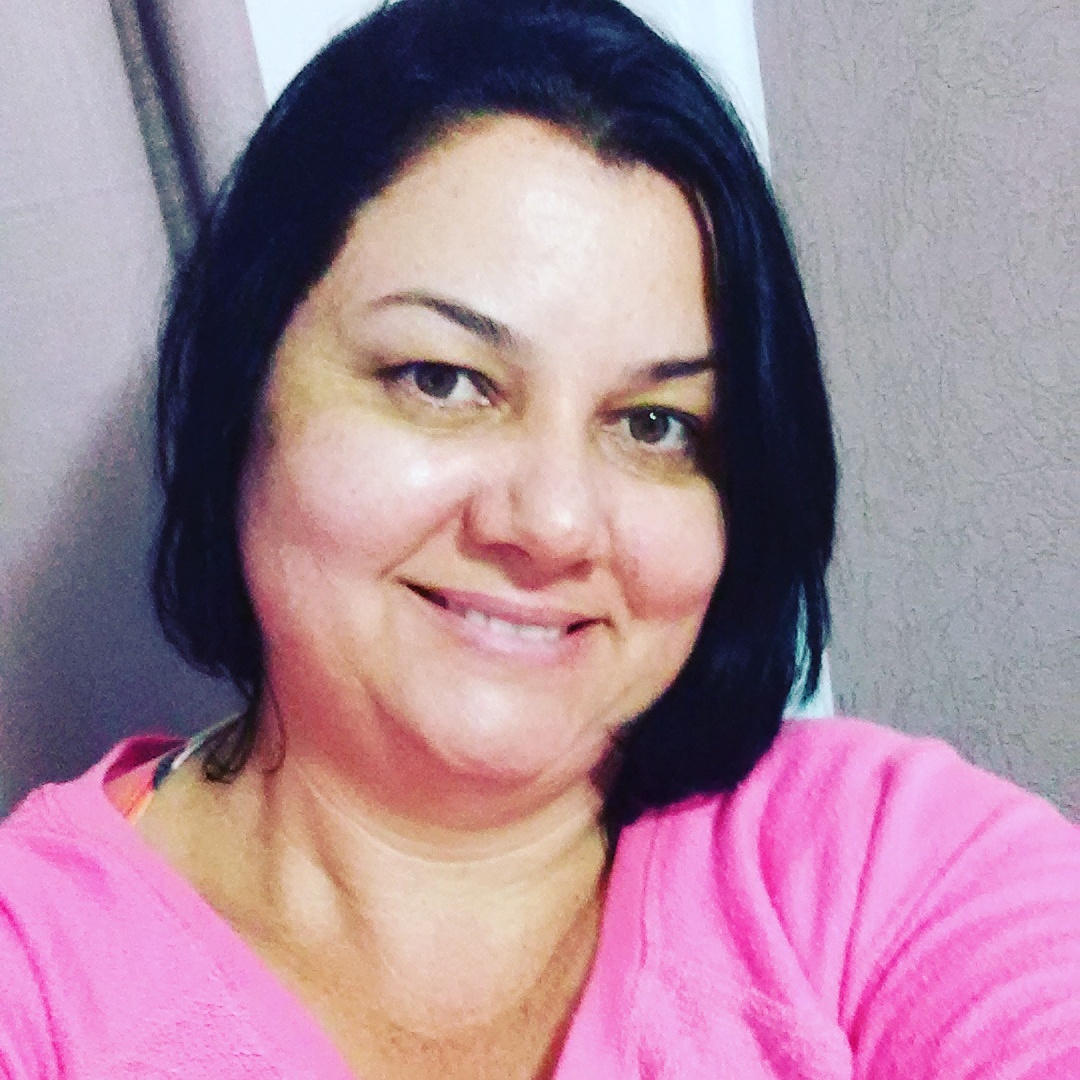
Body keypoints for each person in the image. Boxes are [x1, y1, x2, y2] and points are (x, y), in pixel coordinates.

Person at [1, 0, 1076, 1076]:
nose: (554, 523)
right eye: (441, 379)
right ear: (243, 394)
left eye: (655, 426)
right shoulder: (37, 973)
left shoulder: (878, 861)